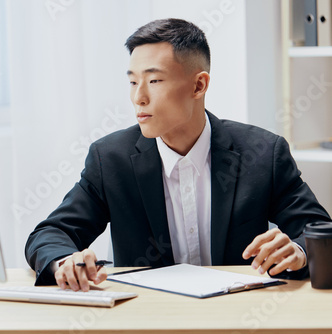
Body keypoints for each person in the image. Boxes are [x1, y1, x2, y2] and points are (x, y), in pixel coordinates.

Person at [25, 18, 331, 291]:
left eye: (154, 81)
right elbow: (50, 234)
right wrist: (64, 262)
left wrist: (298, 250)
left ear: (199, 85)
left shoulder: (263, 153)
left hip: (239, 318)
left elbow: (320, 233)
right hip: (149, 321)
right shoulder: (111, 160)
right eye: (132, 81)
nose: (138, 97)